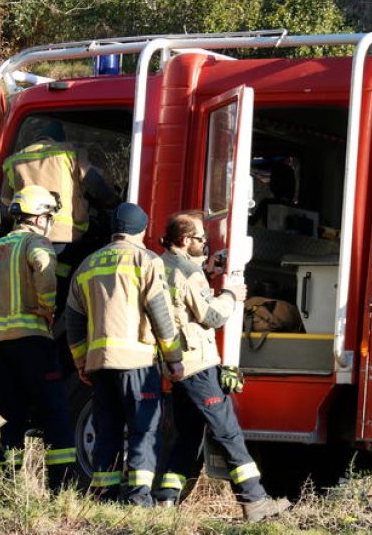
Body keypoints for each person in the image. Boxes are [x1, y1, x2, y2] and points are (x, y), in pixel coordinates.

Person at [154, 210, 291, 522]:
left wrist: (207, 268)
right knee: (228, 432)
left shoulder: (162, 265)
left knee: (187, 437)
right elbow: (212, 316)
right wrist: (231, 295)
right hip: (198, 364)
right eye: (201, 239)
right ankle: (255, 502)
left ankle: (165, 500)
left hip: (176, 365)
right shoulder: (189, 274)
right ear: (185, 240)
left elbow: (181, 300)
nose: (206, 244)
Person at [0, 185, 77, 489]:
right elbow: (45, 268)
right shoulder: (37, 242)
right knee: (55, 413)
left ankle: (7, 484)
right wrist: (46, 307)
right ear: (40, 218)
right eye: (49, 217)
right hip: (32, 341)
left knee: (10, 416)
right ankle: (61, 487)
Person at [65, 203, 184, 506]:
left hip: (99, 364)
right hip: (137, 363)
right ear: (143, 230)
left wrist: (81, 361)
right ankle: (138, 498)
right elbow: (160, 313)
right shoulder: (146, 260)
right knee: (144, 429)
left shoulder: (88, 264)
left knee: (107, 429)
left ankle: (103, 496)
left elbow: (74, 320)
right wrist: (173, 358)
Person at [0, 119, 117, 245]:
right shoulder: (69, 152)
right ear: (59, 140)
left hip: (25, 235)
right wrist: (114, 202)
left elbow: (5, 205)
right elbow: (93, 181)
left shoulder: (12, 161)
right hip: (66, 235)